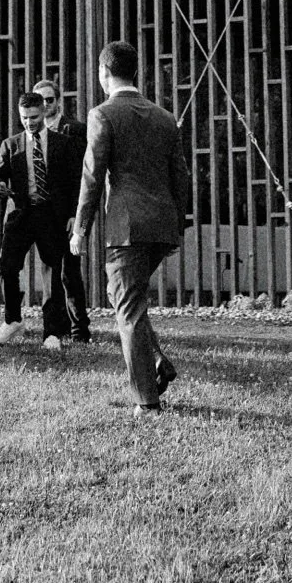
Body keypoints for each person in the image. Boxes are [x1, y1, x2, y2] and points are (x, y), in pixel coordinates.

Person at [71, 42, 193, 414]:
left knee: (127, 308)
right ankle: (157, 362)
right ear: (135, 72)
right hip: (162, 226)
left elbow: (92, 176)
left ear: (103, 73)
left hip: (126, 227)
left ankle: (146, 401)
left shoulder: (102, 114)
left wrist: (80, 229)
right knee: (127, 298)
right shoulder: (164, 117)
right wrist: (178, 223)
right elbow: (182, 177)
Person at [0, 90, 91, 349]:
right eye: (24, 117)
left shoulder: (63, 143)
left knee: (53, 273)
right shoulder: (10, 144)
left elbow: (74, 183)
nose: (29, 122)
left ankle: (52, 333)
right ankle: (12, 320)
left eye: (34, 117)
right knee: (7, 266)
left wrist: (72, 215)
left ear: (44, 112)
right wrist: (0, 184)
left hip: (51, 214)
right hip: (20, 214)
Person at [32, 76, 92, 325]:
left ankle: (79, 326)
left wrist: (74, 214)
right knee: (49, 271)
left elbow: (82, 175)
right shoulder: (33, 132)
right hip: (44, 212)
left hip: (68, 211)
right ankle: (58, 325)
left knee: (69, 271)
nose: (45, 105)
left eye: (50, 99)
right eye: (40, 101)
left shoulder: (75, 129)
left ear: (58, 101)